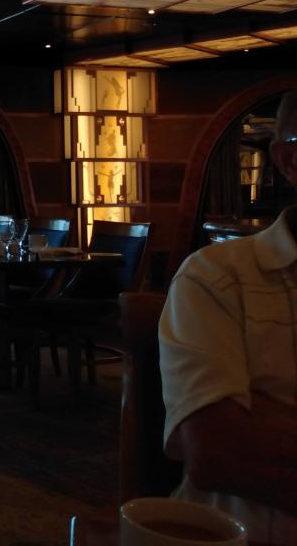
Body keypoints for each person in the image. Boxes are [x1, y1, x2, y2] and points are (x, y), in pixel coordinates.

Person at [160, 89, 297, 545]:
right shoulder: (218, 278)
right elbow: (220, 454)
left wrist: (264, 417)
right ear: (288, 160)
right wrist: (240, 435)